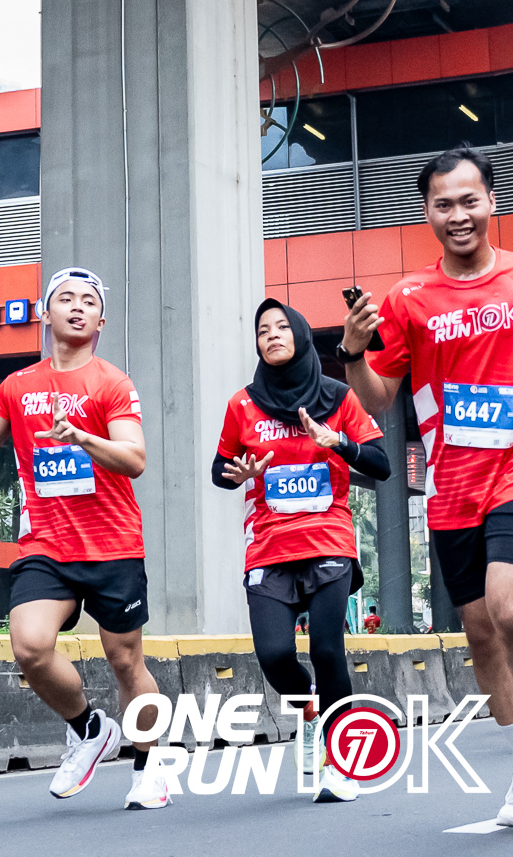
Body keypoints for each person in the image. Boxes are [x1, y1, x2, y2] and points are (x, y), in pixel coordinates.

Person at [339, 145, 513, 827]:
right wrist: (351, 352)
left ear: (491, 201)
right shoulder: (408, 299)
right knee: (482, 633)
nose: (457, 214)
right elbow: (377, 397)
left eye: (468, 200)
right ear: (427, 213)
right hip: (453, 485)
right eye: (443, 204)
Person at [0, 267, 169, 811]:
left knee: (125, 661)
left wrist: (82, 437)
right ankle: (90, 728)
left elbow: (135, 459)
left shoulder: (112, 383)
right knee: (29, 645)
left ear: (101, 322)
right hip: (46, 544)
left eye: (88, 301)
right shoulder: (19, 386)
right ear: (46, 314)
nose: (77, 306)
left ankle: (150, 766)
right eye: (65, 298)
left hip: (113, 542)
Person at [213, 297, 390, 804]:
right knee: (274, 655)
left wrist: (338, 443)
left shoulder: (337, 397)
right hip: (268, 547)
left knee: (327, 650)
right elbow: (220, 471)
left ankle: (344, 761)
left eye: (281, 327)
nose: (271, 335)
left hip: (328, 539)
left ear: (301, 334)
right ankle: (309, 711)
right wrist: (241, 473)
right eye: (262, 330)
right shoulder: (242, 404)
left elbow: (381, 464)